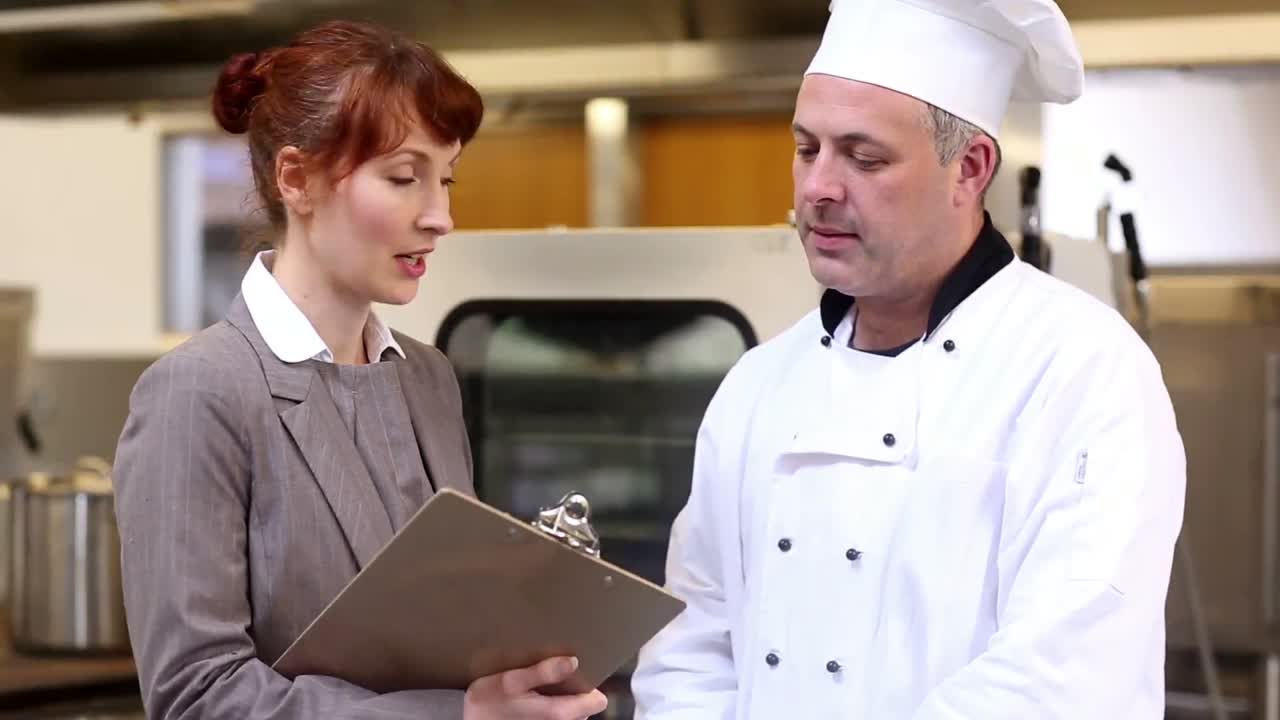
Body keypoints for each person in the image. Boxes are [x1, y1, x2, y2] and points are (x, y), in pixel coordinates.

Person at [630, 0, 1186, 717]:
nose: (818, 188)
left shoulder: (1081, 369)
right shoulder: (761, 383)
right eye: (807, 149)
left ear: (972, 168)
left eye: (864, 158)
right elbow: (692, 647)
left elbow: (1061, 676)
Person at [111, 20, 608, 720]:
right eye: (405, 178)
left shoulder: (428, 378)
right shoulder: (201, 392)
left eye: (446, 179)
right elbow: (197, 697)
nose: (441, 217)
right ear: (296, 179)